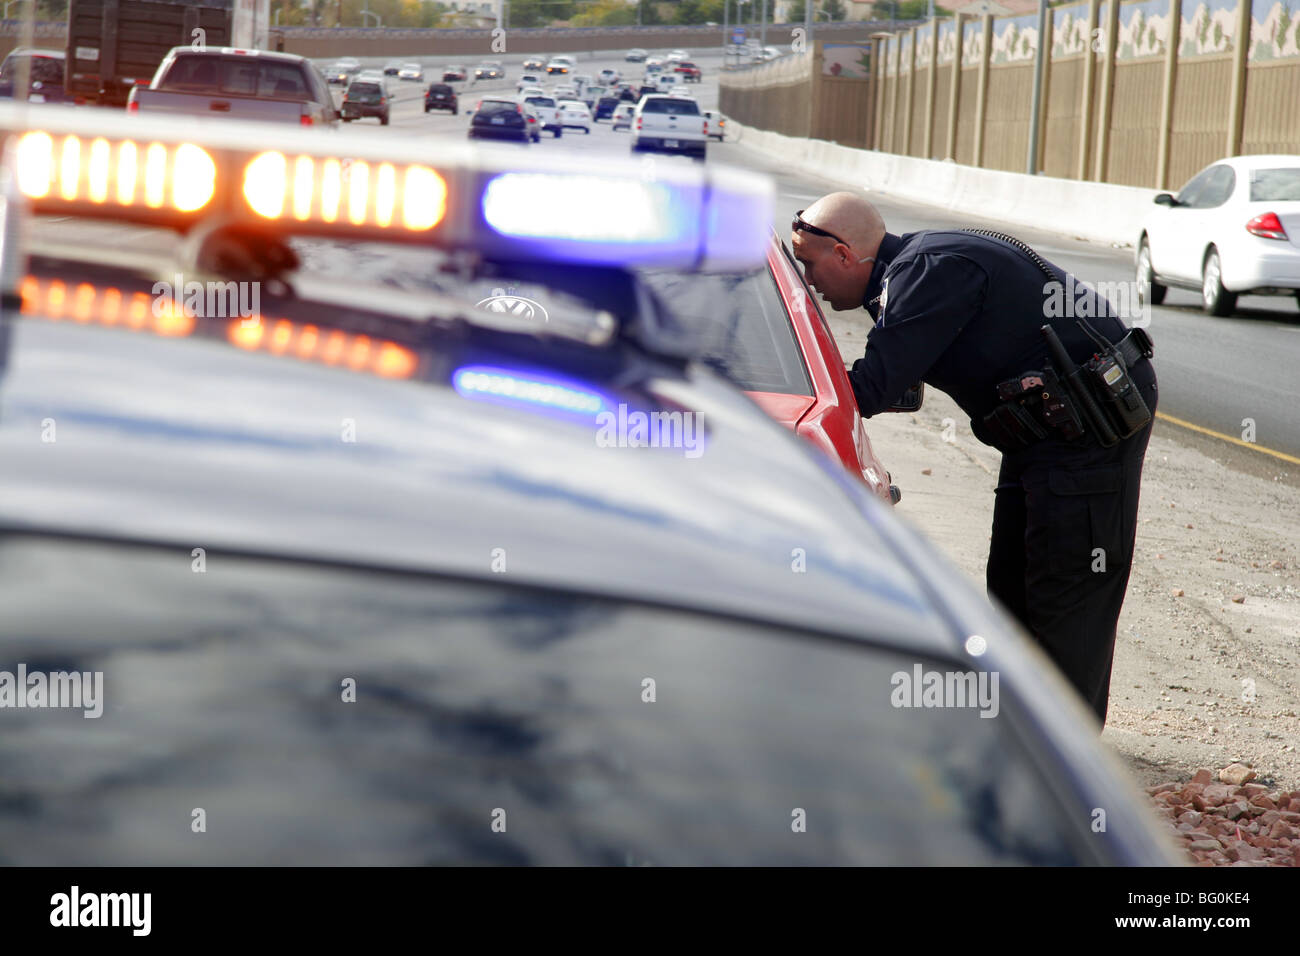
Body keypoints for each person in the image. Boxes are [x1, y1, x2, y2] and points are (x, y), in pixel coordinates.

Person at [791, 192, 1158, 725]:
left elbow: (870, 389)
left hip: (1087, 430)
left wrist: (772, 398)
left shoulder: (927, 273)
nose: (809, 283)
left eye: (809, 265)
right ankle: (1018, 725)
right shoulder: (908, 272)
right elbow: (903, 385)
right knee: (1011, 580)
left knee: (1066, 584)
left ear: (845, 255)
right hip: (1040, 432)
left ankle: (1066, 752)